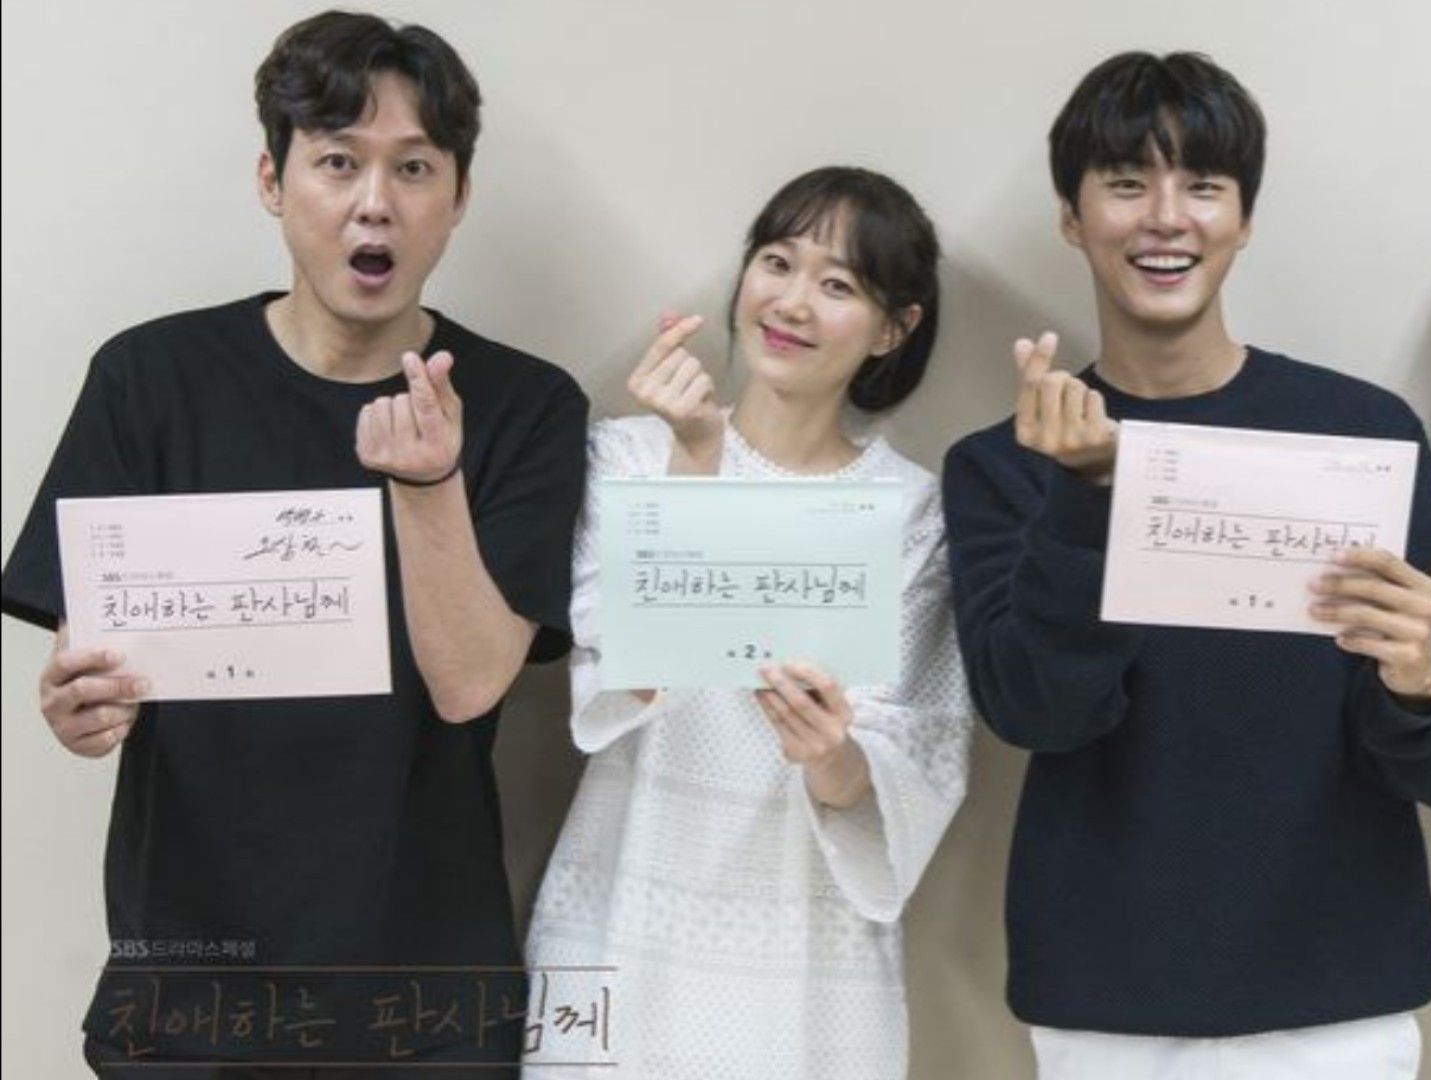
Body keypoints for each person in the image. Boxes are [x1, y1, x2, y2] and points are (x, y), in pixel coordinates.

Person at [0, 11, 586, 1075]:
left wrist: (428, 481)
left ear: (459, 196)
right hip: (190, 979)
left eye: (415, 167)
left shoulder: (526, 406)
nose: (375, 201)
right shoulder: (149, 379)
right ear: (274, 180)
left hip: (423, 992)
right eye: (338, 161)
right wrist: (78, 706)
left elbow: (469, 685)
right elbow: (91, 648)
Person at [940, 52, 1431, 1078]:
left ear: (1243, 218)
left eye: (1203, 185)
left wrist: (1419, 676)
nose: (1165, 218)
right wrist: (1087, 495)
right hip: (1106, 998)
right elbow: (1038, 714)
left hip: (1340, 988)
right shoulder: (1005, 463)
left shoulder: (1362, 433)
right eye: (1125, 182)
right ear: (1072, 217)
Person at [522, 166, 971, 1080]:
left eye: (838, 285)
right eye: (777, 261)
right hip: (620, 913)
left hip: (807, 958)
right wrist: (696, 460)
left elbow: (919, 752)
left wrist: (832, 754)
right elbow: (615, 681)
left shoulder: (914, 512)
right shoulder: (631, 454)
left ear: (894, 328)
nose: (792, 302)